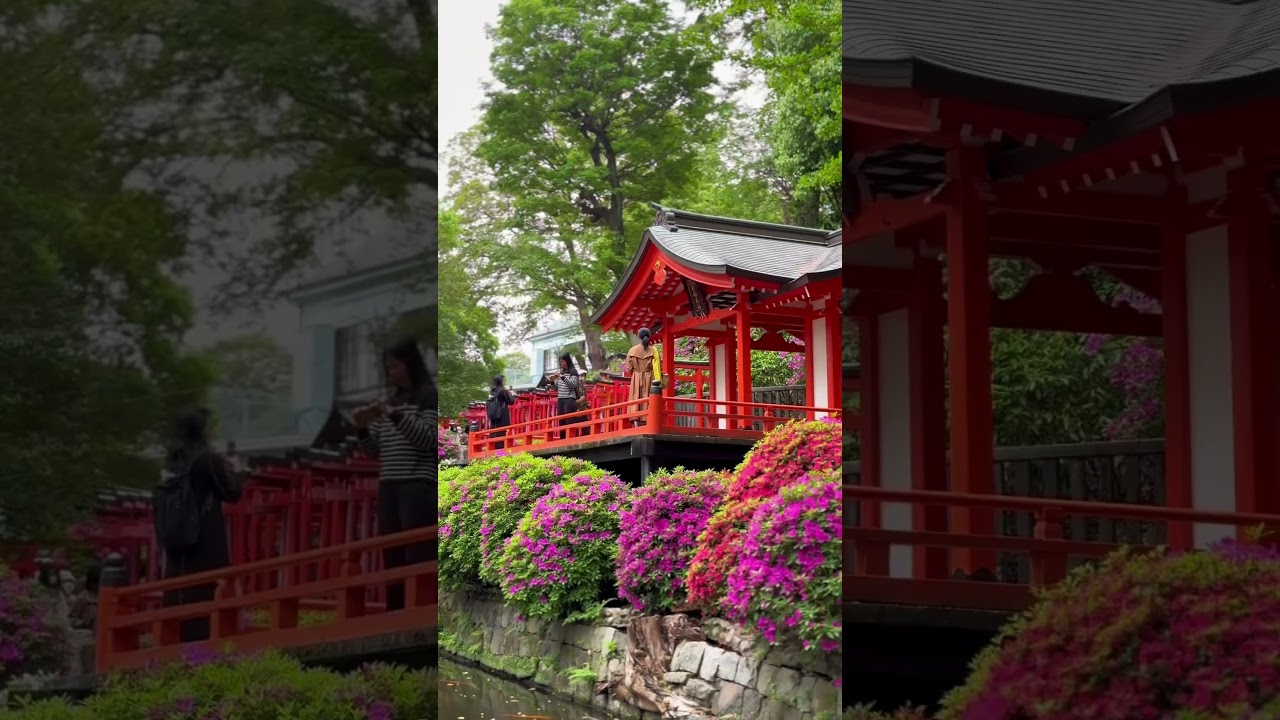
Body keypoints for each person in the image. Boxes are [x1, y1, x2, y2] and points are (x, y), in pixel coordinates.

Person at [354, 336, 438, 611]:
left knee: (416, 554)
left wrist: (394, 416)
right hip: (389, 485)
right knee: (392, 553)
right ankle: (395, 615)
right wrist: (361, 428)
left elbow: (428, 439)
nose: (392, 373)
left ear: (409, 365)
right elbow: (373, 452)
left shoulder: (428, 397)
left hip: (418, 485)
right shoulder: (390, 403)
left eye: (395, 366)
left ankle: (420, 613)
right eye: (388, 368)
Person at [160, 407, 244, 643]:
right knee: (207, 587)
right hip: (204, 537)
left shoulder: (172, 462)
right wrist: (237, 469)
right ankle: (205, 644)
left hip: (177, 538)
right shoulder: (207, 459)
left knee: (178, 587)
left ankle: (176, 642)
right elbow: (232, 493)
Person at [548, 352, 583, 439]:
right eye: (561, 362)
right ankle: (562, 440)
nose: (562, 363)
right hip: (561, 399)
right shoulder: (561, 372)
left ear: (567, 361)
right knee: (562, 421)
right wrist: (552, 381)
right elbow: (556, 389)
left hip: (569, 399)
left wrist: (562, 377)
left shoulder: (573, 371)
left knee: (569, 420)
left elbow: (573, 385)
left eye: (563, 361)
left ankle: (571, 439)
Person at [486, 375, 516, 450]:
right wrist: (513, 395)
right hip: (502, 416)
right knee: (503, 433)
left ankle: (493, 451)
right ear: (501, 381)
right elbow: (511, 401)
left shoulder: (491, 392)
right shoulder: (503, 391)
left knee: (494, 433)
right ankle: (501, 452)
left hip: (494, 417)